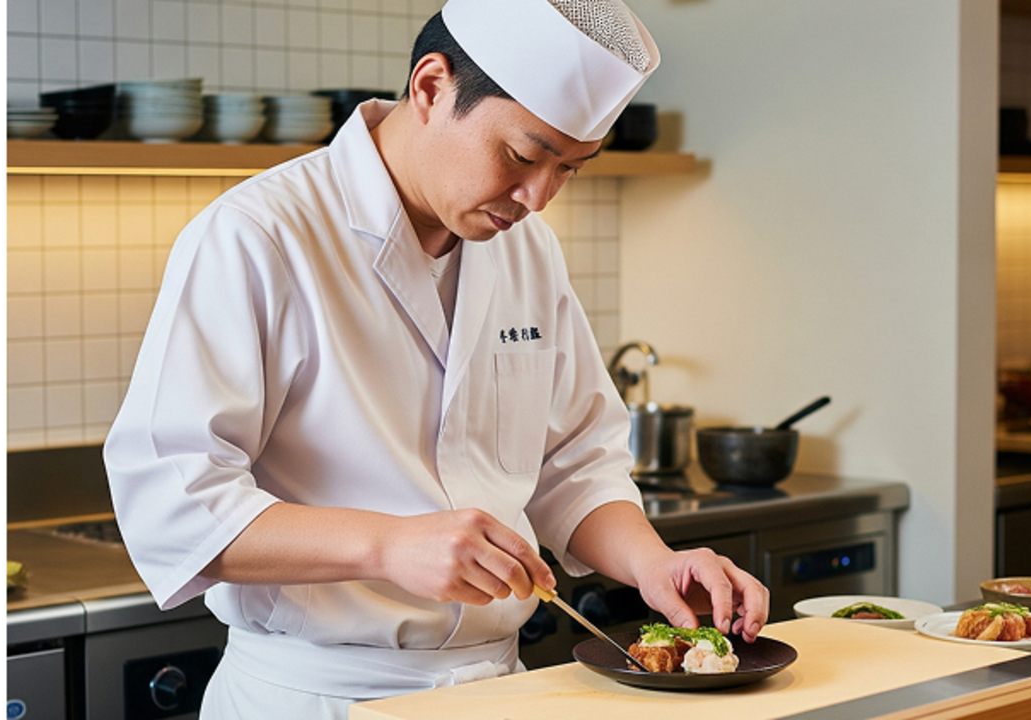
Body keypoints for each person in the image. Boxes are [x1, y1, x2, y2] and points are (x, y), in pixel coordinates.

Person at [103, 1, 769, 717]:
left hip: (497, 691)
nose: (537, 198)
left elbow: (575, 464)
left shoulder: (527, 250)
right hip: (317, 697)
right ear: (430, 86)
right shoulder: (257, 236)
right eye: (523, 155)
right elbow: (173, 507)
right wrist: (386, 546)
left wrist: (653, 563)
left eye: (569, 169)